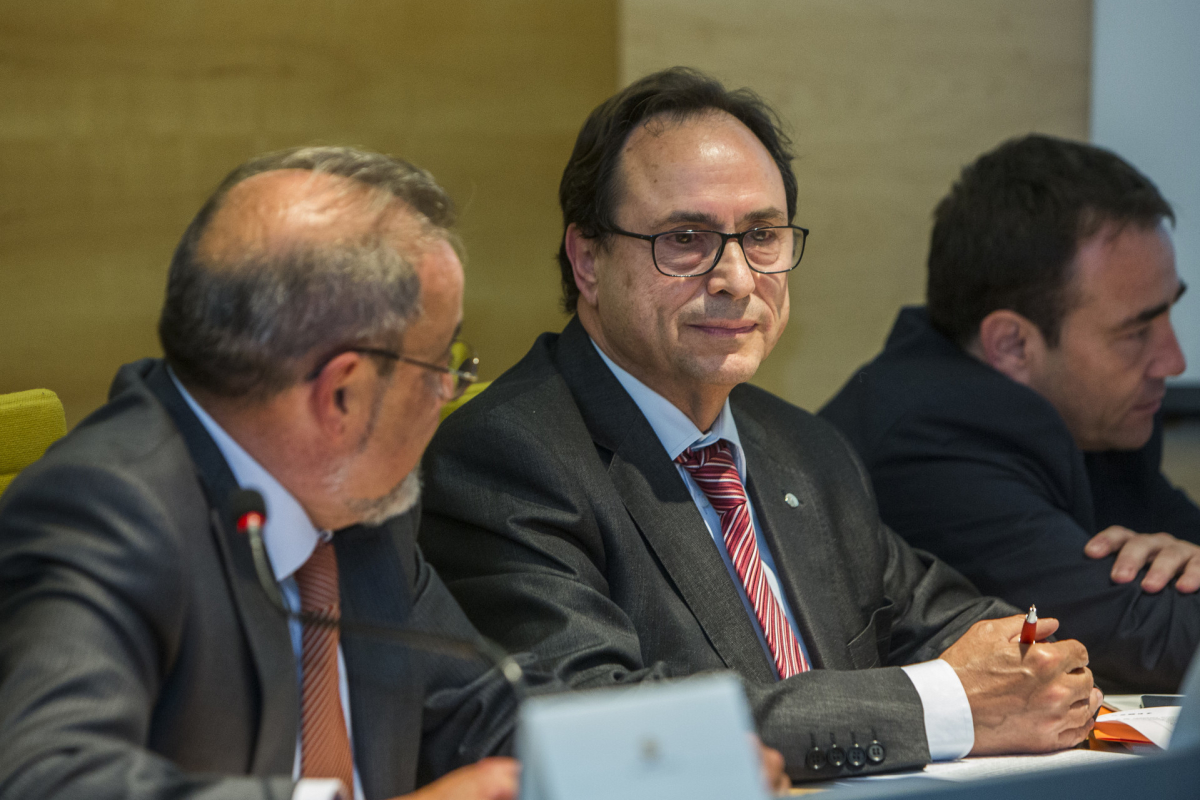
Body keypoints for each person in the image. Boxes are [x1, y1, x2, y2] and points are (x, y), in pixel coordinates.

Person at [418, 69, 1103, 783]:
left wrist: (1035, 669)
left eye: (762, 235)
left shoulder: (802, 447)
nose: (737, 278)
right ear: (587, 260)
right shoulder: (506, 456)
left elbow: (960, 626)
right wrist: (942, 703)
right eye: (686, 238)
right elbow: (600, 720)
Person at [0, 147, 525, 800]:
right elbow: (47, 780)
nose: (449, 391)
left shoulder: (361, 505)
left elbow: (490, 715)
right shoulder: (104, 508)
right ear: (342, 395)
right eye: (442, 364)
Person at [820, 134, 1200, 693]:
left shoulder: (1101, 417)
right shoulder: (929, 441)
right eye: (1136, 331)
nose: (1173, 360)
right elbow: (1149, 644)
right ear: (1013, 346)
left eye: (1169, 314)